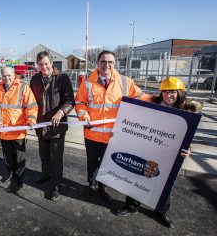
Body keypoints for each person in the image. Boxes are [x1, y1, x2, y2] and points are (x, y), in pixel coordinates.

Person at [116, 76, 193, 229]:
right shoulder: (151, 104)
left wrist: (188, 150)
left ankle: (161, 211)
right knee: (137, 175)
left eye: (172, 92)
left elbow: (188, 138)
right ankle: (131, 206)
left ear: (180, 93)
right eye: (165, 92)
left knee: (164, 183)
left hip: (169, 154)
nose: (168, 95)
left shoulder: (185, 113)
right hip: (146, 147)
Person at [75, 50, 146, 204]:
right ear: (97, 63)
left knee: (108, 163)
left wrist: (160, 100)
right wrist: (84, 115)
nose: (107, 65)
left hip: (114, 134)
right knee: (93, 162)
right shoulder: (87, 83)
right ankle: (92, 185)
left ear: (115, 63)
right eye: (103, 62)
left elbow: (141, 97)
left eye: (110, 62)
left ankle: (103, 188)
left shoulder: (125, 82)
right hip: (93, 133)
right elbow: (80, 103)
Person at [29, 51, 75, 200]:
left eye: (46, 64)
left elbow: (69, 101)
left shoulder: (62, 78)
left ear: (51, 63)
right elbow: (31, 102)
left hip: (56, 127)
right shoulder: (35, 79)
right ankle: (46, 175)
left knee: (56, 157)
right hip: (41, 125)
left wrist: (61, 112)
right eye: (41, 64)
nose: (44, 67)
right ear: (37, 65)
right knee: (44, 155)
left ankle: (56, 185)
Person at [0, 66, 38, 192]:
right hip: (4, 130)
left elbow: (31, 106)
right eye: (4, 76)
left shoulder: (23, 87)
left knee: (19, 157)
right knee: (7, 155)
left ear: (14, 75)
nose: (6, 78)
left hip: (18, 130)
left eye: (9, 75)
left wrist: (31, 120)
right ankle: (10, 173)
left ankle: (20, 177)